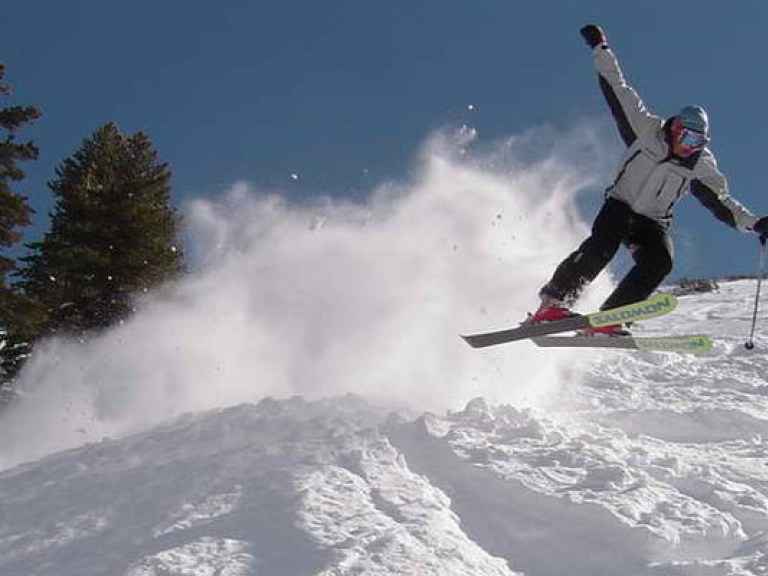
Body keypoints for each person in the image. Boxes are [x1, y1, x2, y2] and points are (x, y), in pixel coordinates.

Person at [530, 24, 768, 335]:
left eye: (697, 142)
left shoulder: (700, 165)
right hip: (620, 204)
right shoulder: (646, 130)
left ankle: (612, 317)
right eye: (685, 136)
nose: (687, 146)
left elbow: (722, 202)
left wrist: (756, 223)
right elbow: (617, 86)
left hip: (652, 221)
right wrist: (601, 48)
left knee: (659, 261)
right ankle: (552, 304)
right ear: (674, 128)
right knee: (602, 245)